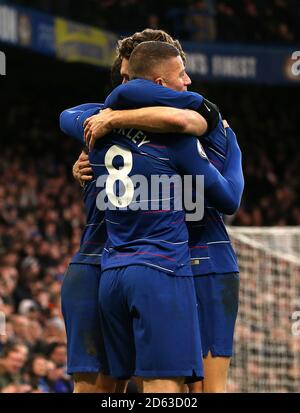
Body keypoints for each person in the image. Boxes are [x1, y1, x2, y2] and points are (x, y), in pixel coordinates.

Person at [60, 29, 243, 393]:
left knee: (199, 389)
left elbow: (194, 120)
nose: (135, 88)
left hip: (195, 263)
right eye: (128, 79)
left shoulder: (200, 125)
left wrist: (112, 121)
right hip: (125, 262)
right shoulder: (100, 133)